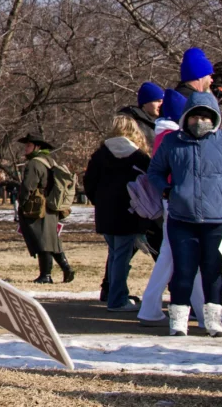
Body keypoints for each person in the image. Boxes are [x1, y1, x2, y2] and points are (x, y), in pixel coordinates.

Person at [147, 91, 222, 337]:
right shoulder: (172, 142)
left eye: (206, 117)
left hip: (217, 218)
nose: (200, 121)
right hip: (182, 217)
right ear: (186, 117)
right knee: (184, 270)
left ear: (215, 118)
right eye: (194, 116)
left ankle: (213, 321)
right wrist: (166, 190)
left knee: (213, 271)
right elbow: (154, 171)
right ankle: (178, 321)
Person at [84, 114, 152, 311]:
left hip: (106, 212)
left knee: (115, 255)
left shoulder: (100, 155)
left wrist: (101, 202)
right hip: (129, 212)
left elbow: (89, 183)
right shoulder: (139, 157)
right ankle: (117, 299)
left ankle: (116, 295)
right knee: (121, 257)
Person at [16, 134, 75, 284]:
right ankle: (66, 268)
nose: (26, 148)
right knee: (51, 240)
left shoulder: (34, 164)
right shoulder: (50, 161)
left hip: (37, 207)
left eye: (29, 145)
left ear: (37, 147)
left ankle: (46, 275)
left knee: (42, 241)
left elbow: (28, 187)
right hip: (50, 205)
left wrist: (22, 203)